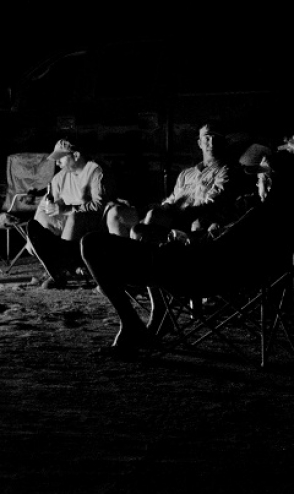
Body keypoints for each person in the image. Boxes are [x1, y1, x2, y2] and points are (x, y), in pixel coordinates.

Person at [81, 149, 294, 351]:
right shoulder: (279, 217)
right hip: (208, 269)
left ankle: (134, 322)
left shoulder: (261, 216)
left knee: (93, 244)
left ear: (271, 182)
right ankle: (142, 314)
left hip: (194, 272)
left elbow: (216, 251)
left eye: (260, 178)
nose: (256, 183)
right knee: (135, 236)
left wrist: (187, 242)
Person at [132, 123, 242, 243]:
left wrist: (184, 211)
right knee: (131, 221)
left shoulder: (225, 171)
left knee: (152, 219)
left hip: (193, 220)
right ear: (200, 143)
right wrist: (163, 206)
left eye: (216, 139)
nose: (211, 143)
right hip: (174, 216)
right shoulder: (186, 174)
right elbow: (173, 198)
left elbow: (214, 201)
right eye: (207, 138)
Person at [26, 139, 112, 288]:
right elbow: (47, 204)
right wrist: (31, 239)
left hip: (94, 225)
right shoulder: (61, 177)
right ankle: (56, 268)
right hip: (68, 227)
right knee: (41, 218)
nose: (57, 163)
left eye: (60, 158)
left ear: (76, 155)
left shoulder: (95, 171)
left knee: (74, 217)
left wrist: (66, 209)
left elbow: (99, 206)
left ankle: (64, 268)